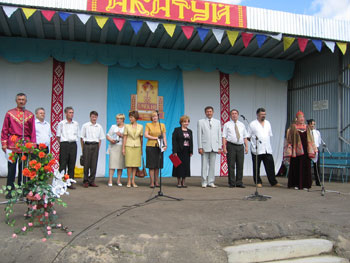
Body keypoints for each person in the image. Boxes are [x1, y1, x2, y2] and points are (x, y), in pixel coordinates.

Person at [1, 93, 36, 198]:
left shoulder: (30, 114)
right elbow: (5, 129)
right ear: (16, 101)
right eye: (19, 99)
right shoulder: (10, 113)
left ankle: (23, 189)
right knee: (11, 169)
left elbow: (33, 131)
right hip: (12, 144)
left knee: (24, 169)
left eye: (23, 99)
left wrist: (32, 145)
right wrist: (4, 143)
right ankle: (9, 190)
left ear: (26, 101)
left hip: (25, 144)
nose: (21, 101)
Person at [248, 108, 281, 188]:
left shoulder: (268, 123)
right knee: (256, 167)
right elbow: (248, 136)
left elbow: (269, 135)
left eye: (264, 114)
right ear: (257, 115)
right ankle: (258, 181)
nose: (263, 116)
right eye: (262, 114)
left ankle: (273, 182)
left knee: (270, 166)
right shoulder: (252, 124)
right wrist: (253, 143)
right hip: (257, 149)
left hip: (267, 149)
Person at [284, 111, 317, 190]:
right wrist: (289, 148)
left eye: (303, 117)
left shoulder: (307, 128)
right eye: (300, 117)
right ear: (297, 119)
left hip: (305, 151)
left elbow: (311, 139)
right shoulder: (293, 127)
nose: (302, 119)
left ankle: (305, 184)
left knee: (306, 167)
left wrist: (314, 148)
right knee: (296, 167)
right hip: (296, 150)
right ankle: (296, 184)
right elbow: (289, 139)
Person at [222, 109, 248, 188]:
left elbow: (245, 136)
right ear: (230, 115)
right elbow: (224, 136)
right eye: (232, 114)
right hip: (231, 146)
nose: (234, 115)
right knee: (231, 165)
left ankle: (239, 182)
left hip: (240, 146)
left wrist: (246, 146)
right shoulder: (227, 124)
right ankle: (232, 183)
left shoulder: (242, 124)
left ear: (238, 115)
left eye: (236, 113)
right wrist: (224, 147)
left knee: (240, 165)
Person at [197, 106, 222, 188]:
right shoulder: (200, 122)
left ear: (213, 112)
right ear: (205, 113)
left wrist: (219, 147)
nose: (209, 113)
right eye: (207, 111)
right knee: (204, 165)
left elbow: (219, 135)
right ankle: (204, 181)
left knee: (212, 166)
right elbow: (199, 135)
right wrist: (200, 147)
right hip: (204, 146)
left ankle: (211, 182)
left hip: (214, 146)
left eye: (210, 111)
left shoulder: (217, 122)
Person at [56, 106, 80, 189]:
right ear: (65, 113)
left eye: (72, 112)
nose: (71, 114)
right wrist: (63, 144)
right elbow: (58, 136)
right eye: (70, 112)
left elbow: (77, 134)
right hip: (64, 144)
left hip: (73, 144)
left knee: (71, 164)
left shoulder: (76, 123)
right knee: (63, 164)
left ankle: (70, 182)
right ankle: (61, 182)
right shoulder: (61, 123)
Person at [80, 111, 105, 188]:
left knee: (94, 164)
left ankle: (92, 181)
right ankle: (85, 181)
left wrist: (98, 148)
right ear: (90, 117)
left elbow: (100, 139)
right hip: (87, 145)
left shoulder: (99, 126)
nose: (94, 118)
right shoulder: (85, 125)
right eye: (93, 117)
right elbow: (82, 138)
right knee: (86, 164)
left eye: (95, 117)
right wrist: (83, 148)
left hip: (95, 145)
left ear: (97, 117)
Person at [145, 111, 167, 188]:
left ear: (158, 117)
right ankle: (151, 182)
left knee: (157, 165)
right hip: (150, 146)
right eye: (153, 116)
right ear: (151, 118)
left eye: (156, 116)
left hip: (159, 146)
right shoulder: (148, 124)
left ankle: (156, 182)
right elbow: (146, 135)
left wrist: (165, 145)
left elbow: (164, 136)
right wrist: (155, 138)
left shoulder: (162, 125)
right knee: (151, 165)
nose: (155, 118)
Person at [122, 111, 143, 188]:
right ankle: (128, 181)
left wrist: (141, 149)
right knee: (129, 165)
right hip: (129, 146)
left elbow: (141, 139)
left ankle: (133, 181)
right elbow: (125, 137)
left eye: (131, 117)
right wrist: (123, 148)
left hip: (137, 147)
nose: (130, 118)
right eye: (130, 117)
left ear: (135, 118)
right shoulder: (127, 126)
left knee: (135, 165)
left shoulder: (141, 126)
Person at [172, 115, 193, 188]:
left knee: (186, 166)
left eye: (187, 122)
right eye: (184, 122)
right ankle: (178, 182)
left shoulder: (190, 131)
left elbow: (191, 142)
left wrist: (191, 151)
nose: (186, 123)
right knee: (178, 166)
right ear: (181, 122)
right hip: (178, 151)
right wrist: (174, 151)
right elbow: (174, 141)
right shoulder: (176, 130)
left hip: (187, 151)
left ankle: (183, 182)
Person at [106, 114, 126, 187]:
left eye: (119, 119)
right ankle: (110, 180)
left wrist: (121, 135)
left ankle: (118, 180)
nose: (117, 120)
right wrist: (111, 140)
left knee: (120, 165)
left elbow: (127, 137)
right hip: (113, 147)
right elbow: (108, 136)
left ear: (123, 120)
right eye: (117, 119)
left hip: (121, 146)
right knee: (112, 164)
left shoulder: (126, 127)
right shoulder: (113, 127)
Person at [307, 119, 321, 186]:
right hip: (309, 149)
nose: (313, 125)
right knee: (308, 166)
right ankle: (309, 181)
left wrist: (316, 148)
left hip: (316, 149)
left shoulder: (317, 132)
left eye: (314, 124)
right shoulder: (307, 132)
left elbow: (319, 142)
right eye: (311, 124)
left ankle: (318, 181)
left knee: (317, 166)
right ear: (309, 124)